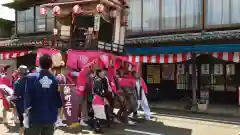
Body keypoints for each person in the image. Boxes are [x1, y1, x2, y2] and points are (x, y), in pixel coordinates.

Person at [23, 54, 62, 135]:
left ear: (39, 64)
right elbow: (58, 101)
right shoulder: (55, 80)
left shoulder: (31, 78)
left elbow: (27, 98)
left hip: (35, 117)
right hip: (50, 117)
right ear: (51, 65)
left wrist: (26, 114)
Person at [92, 69, 109, 133]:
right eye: (102, 72)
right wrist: (104, 98)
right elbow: (99, 91)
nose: (104, 73)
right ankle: (97, 128)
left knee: (98, 115)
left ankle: (97, 128)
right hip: (98, 99)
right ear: (99, 73)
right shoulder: (98, 80)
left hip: (97, 99)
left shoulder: (97, 79)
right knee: (98, 115)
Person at [13, 65, 28, 135]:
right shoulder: (31, 81)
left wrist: (10, 97)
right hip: (30, 104)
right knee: (28, 123)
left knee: (23, 122)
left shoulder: (17, 83)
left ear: (19, 73)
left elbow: (16, 96)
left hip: (21, 105)